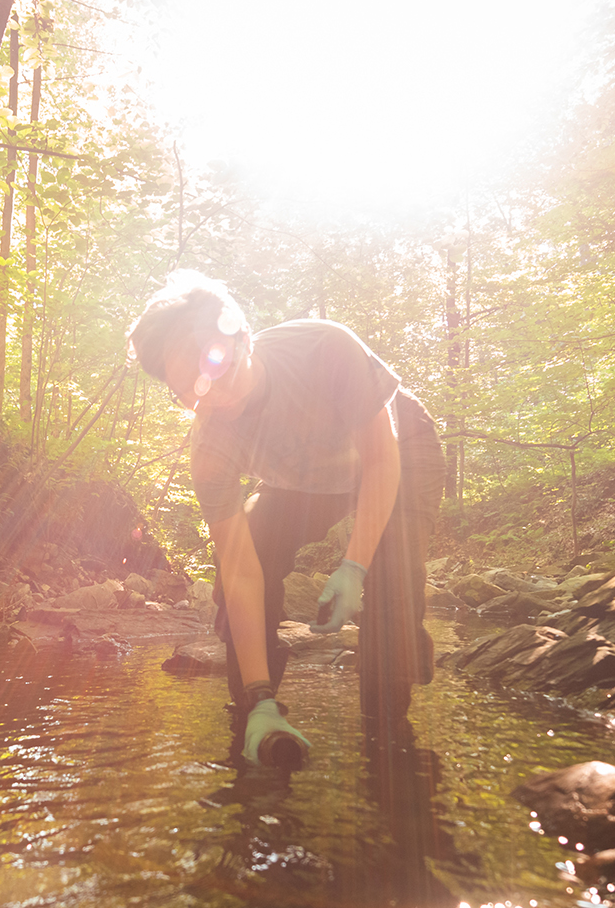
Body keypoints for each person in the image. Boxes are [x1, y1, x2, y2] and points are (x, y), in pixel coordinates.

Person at [128, 272, 445, 765]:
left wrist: (355, 567)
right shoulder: (210, 446)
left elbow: (382, 461)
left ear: (243, 337)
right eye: (186, 391)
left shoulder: (324, 348)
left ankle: (388, 736)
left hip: (400, 451)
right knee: (240, 573)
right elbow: (239, 570)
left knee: (393, 583)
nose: (208, 397)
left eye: (214, 367)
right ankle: (257, 713)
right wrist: (259, 695)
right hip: (298, 479)